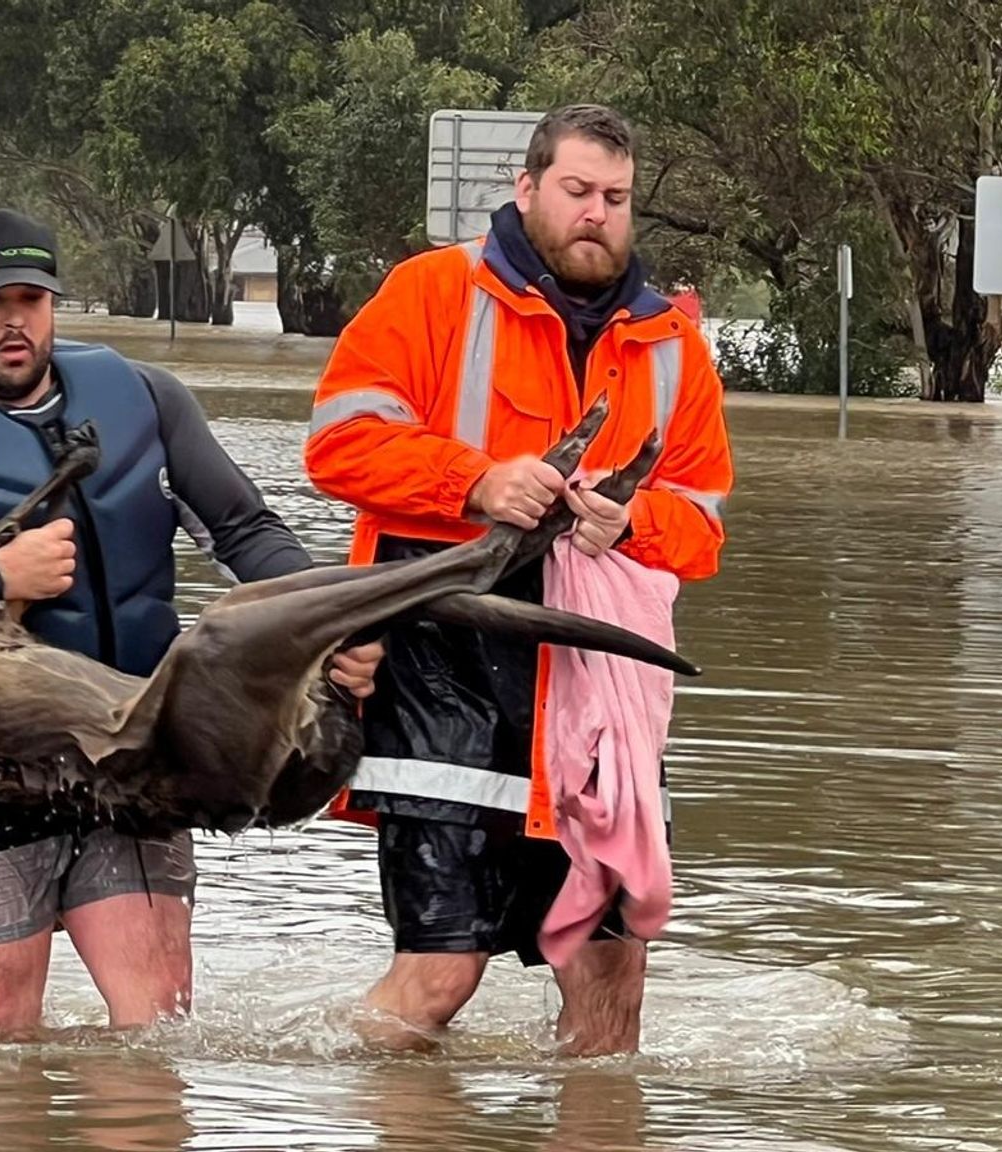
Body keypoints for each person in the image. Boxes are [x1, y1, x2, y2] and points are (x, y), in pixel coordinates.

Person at [0, 207, 383, 1038]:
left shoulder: (144, 398)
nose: (15, 321)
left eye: (32, 299)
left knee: (157, 1024)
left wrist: (325, 631)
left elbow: (246, 531)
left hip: (132, 743)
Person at [303, 104, 734, 1056]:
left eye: (616, 198)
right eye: (578, 191)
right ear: (528, 188)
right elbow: (336, 447)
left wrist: (633, 521)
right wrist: (476, 479)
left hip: (599, 688)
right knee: (442, 971)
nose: (597, 213)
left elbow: (701, 530)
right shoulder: (430, 292)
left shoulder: (674, 345)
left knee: (612, 972)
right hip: (438, 658)